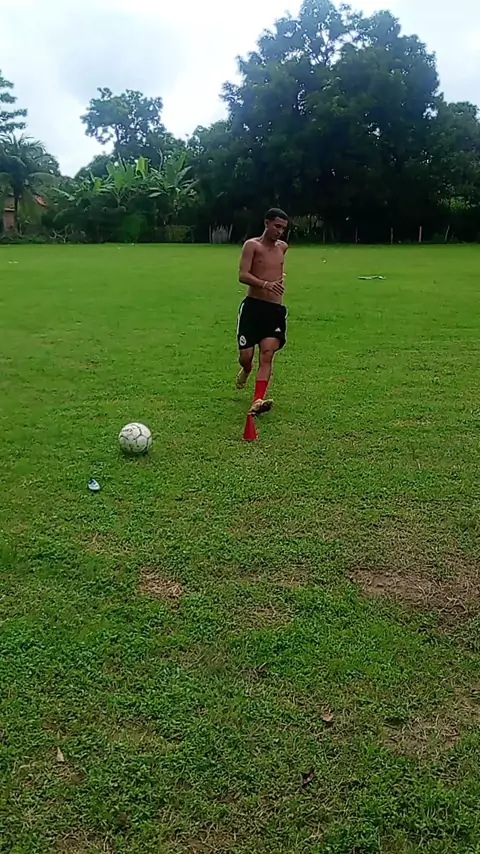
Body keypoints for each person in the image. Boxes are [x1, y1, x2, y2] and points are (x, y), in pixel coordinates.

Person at [236, 208, 289, 416]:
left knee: (267, 353)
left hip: (274, 310)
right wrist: (266, 284)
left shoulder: (283, 247)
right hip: (253, 307)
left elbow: (276, 269)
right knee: (246, 356)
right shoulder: (252, 245)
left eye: (283, 228)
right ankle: (247, 369)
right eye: (277, 226)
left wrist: (279, 279)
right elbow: (243, 275)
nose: (280, 231)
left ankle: (257, 400)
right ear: (266, 223)